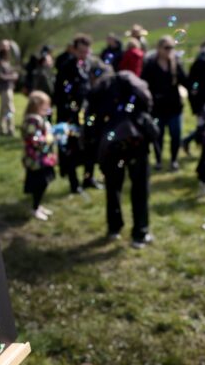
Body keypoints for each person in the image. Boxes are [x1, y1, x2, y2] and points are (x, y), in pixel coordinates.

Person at [89, 67, 156, 249]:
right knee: (140, 188)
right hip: (136, 142)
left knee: (112, 186)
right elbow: (148, 103)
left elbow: (92, 119)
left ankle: (114, 228)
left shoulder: (100, 91)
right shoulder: (132, 85)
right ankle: (140, 233)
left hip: (111, 145)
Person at [54, 34, 95, 193]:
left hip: (87, 113)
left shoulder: (89, 64)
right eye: (81, 52)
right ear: (74, 50)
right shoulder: (66, 67)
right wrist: (69, 112)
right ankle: (74, 183)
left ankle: (88, 178)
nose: (84, 55)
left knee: (90, 147)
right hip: (71, 115)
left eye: (86, 52)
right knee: (72, 149)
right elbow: (58, 92)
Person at [141, 35, 187, 171]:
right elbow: (144, 84)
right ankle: (159, 160)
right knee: (158, 135)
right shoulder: (150, 65)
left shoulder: (176, 64)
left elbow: (185, 81)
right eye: (166, 47)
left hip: (174, 107)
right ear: (159, 48)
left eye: (171, 47)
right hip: (157, 107)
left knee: (176, 135)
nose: (169, 50)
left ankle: (173, 160)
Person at [21, 91, 57, 221]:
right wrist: (49, 138)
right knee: (40, 183)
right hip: (36, 160)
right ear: (37, 106)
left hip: (42, 159)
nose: (48, 109)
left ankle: (37, 205)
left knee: (43, 182)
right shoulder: (32, 120)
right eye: (46, 106)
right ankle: (35, 208)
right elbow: (34, 140)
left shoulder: (38, 119)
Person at [0, 40, 19, 136]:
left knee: (4, 109)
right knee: (9, 109)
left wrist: (13, 71)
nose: (7, 48)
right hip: (4, 88)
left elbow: (7, 71)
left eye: (8, 46)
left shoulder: (5, 58)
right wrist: (12, 77)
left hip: (8, 87)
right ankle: (10, 129)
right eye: (5, 46)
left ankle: (2, 129)